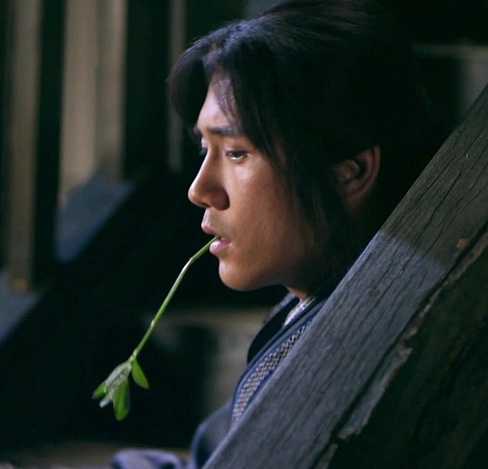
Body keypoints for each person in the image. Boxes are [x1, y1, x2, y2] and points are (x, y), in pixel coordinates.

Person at [111, 0, 441, 467]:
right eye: (205, 148)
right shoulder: (309, 304)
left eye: (237, 153)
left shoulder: (354, 355)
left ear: (349, 173)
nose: (200, 190)